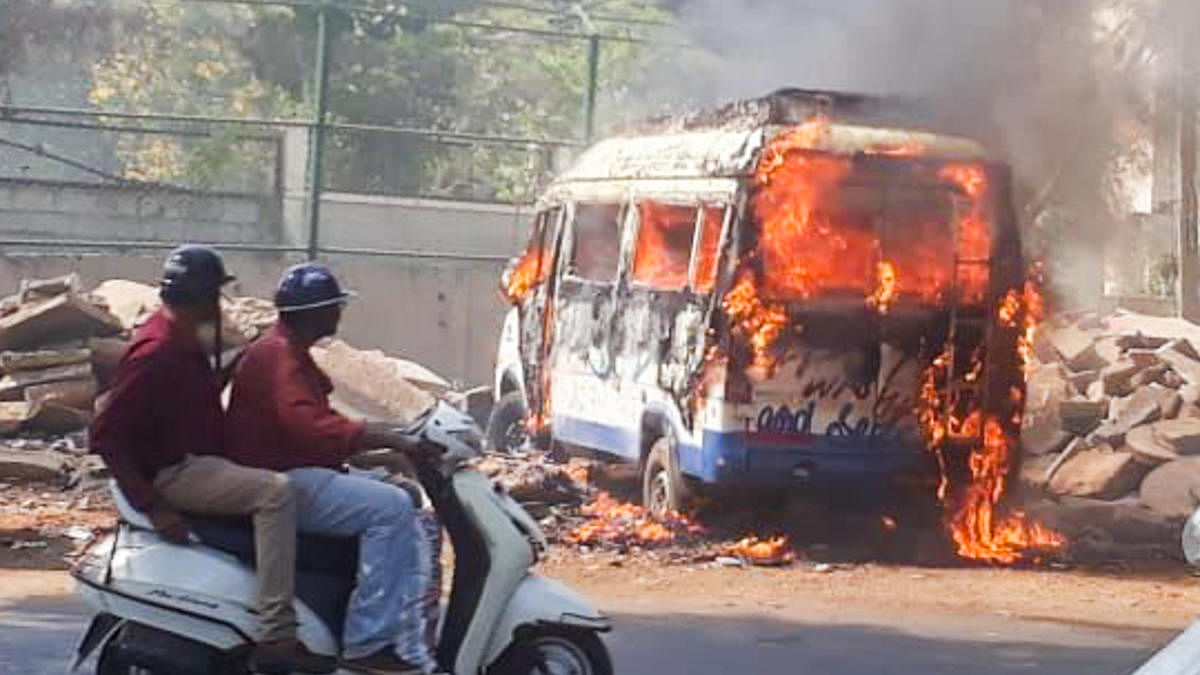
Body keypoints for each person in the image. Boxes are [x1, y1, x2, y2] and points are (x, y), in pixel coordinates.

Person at [89, 246, 335, 675]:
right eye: (215, 296)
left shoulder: (181, 340)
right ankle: (277, 631)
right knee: (276, 493)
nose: (218, 306)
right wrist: (153, 505)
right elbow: (106, 434)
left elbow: (185, 399)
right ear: (203, 298)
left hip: (194, 461)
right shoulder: (156, 349)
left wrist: (232, 369)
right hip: (174, 472)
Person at [224, 263, 437, 675]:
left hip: (296, 468)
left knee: (400, 493)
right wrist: (391, 439)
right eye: (333, 307)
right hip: (283, 476)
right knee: (389, 508)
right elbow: (309, 426)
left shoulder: (288, 352)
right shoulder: (278, 357)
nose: (339, 314)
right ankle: (367, 643)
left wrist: (383, 453)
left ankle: (364, 615)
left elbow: (314, 430)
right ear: (314, 313)